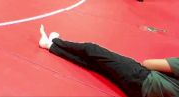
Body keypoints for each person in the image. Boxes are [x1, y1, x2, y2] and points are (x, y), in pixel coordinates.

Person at [38, 24, 179, 97]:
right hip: (140, 93)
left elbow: (148, 63)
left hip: (143, 79)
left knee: (92, 50)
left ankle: (55, 41)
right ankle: (50, 46)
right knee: (98, 66)